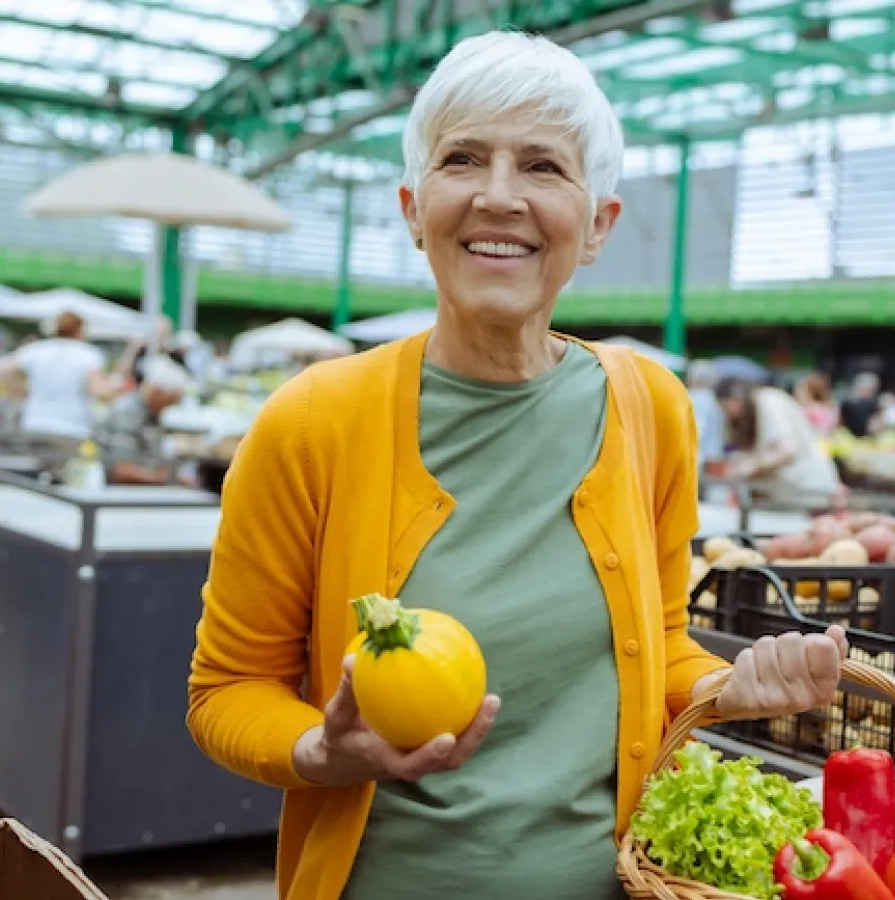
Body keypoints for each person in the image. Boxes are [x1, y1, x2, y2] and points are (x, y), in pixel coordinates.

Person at [185, 32, 846, 900]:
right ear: (413, 207)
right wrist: (321, 750)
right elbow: (227, 691)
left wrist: (730, 687)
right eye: (464, 159)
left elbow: (660, 647)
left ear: (599, 224)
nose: (500, 198)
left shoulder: (651, 405)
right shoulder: (313, 421)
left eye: (543, 167)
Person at [0, 312, 121, 463]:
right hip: (70, 429)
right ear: (80, 330)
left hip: (34, 425)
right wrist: (115, 389)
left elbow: (2, 368)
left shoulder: (38, 349)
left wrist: (20, 390)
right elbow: (99, 391)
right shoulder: (86, 354)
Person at [714, 377, 842, 500]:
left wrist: (750, 466)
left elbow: (787, 450)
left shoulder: (768, 401)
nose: (726, 413)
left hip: (808, 488)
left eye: (725, 407)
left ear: (735, 400)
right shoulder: (748, 415)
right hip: (786, 494)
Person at [98, 355, 190, 485]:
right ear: (158, 393)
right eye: (170, 401)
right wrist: (170, 480)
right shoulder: (127, 413)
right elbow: (121, 471)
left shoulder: (153, 416)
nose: (169, 407)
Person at [685, 359, 726, 475]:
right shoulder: (714, 399)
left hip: (699, 459)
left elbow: (697, 429)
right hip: (714, 456)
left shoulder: (695, 397)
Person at [839, 372, 881, 438]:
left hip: (848, 437)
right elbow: (874, 426)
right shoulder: (871, 404)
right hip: (863, 439)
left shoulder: (846, 402)